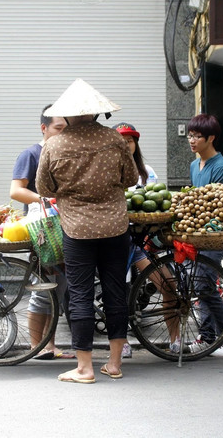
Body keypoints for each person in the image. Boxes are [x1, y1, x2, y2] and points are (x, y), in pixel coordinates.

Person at [36, 78, 138, 383]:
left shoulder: (55, 144)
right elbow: (131, 178)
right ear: (96, 113)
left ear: (67, 114)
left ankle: (85, 368)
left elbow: (42, 187)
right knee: (115, 291)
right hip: (115, 227)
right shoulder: (114, 140)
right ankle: (115, 364)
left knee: (80, 294)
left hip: (77, 230)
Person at [10, 105, 74, 360]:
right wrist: (44, 199)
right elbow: (16, 191)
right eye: (58, 128)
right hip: (43, 232)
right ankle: (39, 347)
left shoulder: (66, 154)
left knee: (57, 291)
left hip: (65, 230)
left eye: (66, 129)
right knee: (43, 291)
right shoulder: (31, 154)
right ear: (44, 128)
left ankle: (50, 346)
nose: (62, 134)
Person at [113, 121, 180, 357]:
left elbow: (158, 203)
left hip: (143, 241)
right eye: (120, 140)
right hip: (116, 239)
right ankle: (122, 342)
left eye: (129, 140)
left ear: (135, 144)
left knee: (168, 285)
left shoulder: (147, 172)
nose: (125, 144)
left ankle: (175, 340)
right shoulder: (107, 169)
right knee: (118, 293)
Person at [186, 113, 223, 357]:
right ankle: (208, 337)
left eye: (197, 136)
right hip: (197, 235)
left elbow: (215, 206)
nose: (192, 140)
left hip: (213, 235)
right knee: (200, 286)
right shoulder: (194, 165)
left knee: (205, 284)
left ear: (211, 138)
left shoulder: (221, 166)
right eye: (190, 135)